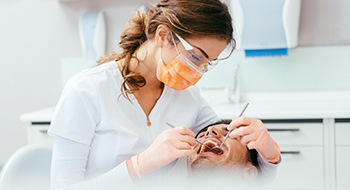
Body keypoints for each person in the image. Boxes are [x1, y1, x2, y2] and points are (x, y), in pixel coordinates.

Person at [48, 0, 281, 189]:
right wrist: (140, 165)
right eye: (196, 57)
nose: (198, 72)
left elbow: (239, 167)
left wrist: (269, 153)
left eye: (207, 63)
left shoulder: (188, 97)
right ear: (162, 35)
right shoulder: (86, 90)